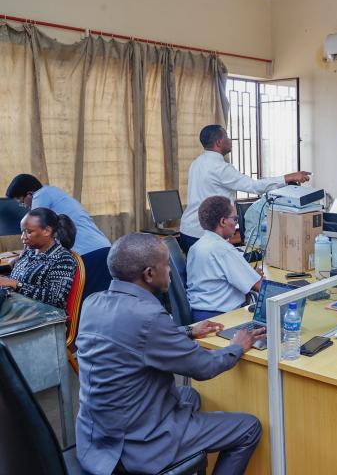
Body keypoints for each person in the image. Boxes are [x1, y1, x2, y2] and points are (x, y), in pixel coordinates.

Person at [76, 233, 264, 475]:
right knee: (249, 427)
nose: (171, 271)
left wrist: (186, 331)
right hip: (137, 445)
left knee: (188, 395)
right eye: (166, 265)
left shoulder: (93, 302)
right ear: (149, 274)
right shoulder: (148, 315)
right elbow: (204, 367)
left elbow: (131, 339)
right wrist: (238, 345)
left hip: (98, 436)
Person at [179, 124, 311, 251]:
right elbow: (255, 186)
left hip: (188, 229)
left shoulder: (196, 163)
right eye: (227, 137)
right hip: (202, 234)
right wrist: (288, 177)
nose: (230, 141)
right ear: (219, 142)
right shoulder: (220, 168)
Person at [6, 174, 112, 299]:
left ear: (30, 194)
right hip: (102, 248)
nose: (25, 206)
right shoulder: (53, 192)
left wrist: (21, 258)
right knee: (98, 298)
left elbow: (34, 226)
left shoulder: (41, 195)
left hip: (88, 252)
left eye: (22, 202)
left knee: (85, 301)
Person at [186, 196, 263, 322]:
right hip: (221, 318)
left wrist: (251, 276)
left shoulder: (196, 246)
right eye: (235, 219)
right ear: (223, 221)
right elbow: (258, 286)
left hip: (198, 314)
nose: (236, 223)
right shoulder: (223, 250)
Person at [0, 208, 77, 309]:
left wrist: (15, 284)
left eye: (29, 232)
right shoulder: (29, 252)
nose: (23, 237)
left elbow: (56, 298)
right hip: (16, 305)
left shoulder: (62, 259)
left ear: (47, 231)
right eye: (22, 232)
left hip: (40, 315)